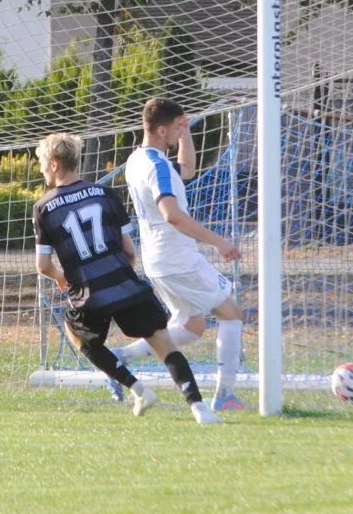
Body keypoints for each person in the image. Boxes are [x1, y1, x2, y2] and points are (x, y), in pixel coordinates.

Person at [31, 131, 222, 425]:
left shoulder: (44, 208)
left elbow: (43, 265)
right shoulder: (106, 194)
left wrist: (61, 278)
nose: (41, 169)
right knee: (164, 344)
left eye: (42, 163)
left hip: (89, 293)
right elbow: (129, 251)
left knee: (80, 338)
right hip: (126, 283)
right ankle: (199, 408)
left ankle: (138, 389)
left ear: (55, 164)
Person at [111, 98, 247, 412]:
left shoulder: (138, 159)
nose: (179, 133)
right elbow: (173, 215)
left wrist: (184, 131)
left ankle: (121, 357)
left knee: (191, 326)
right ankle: (225, 395)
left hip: (158, 260)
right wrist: (218, 242)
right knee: (231, 314)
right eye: (175, 128)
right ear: (161, 129)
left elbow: (186, 169)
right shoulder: (158, 167)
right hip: (178, 259)